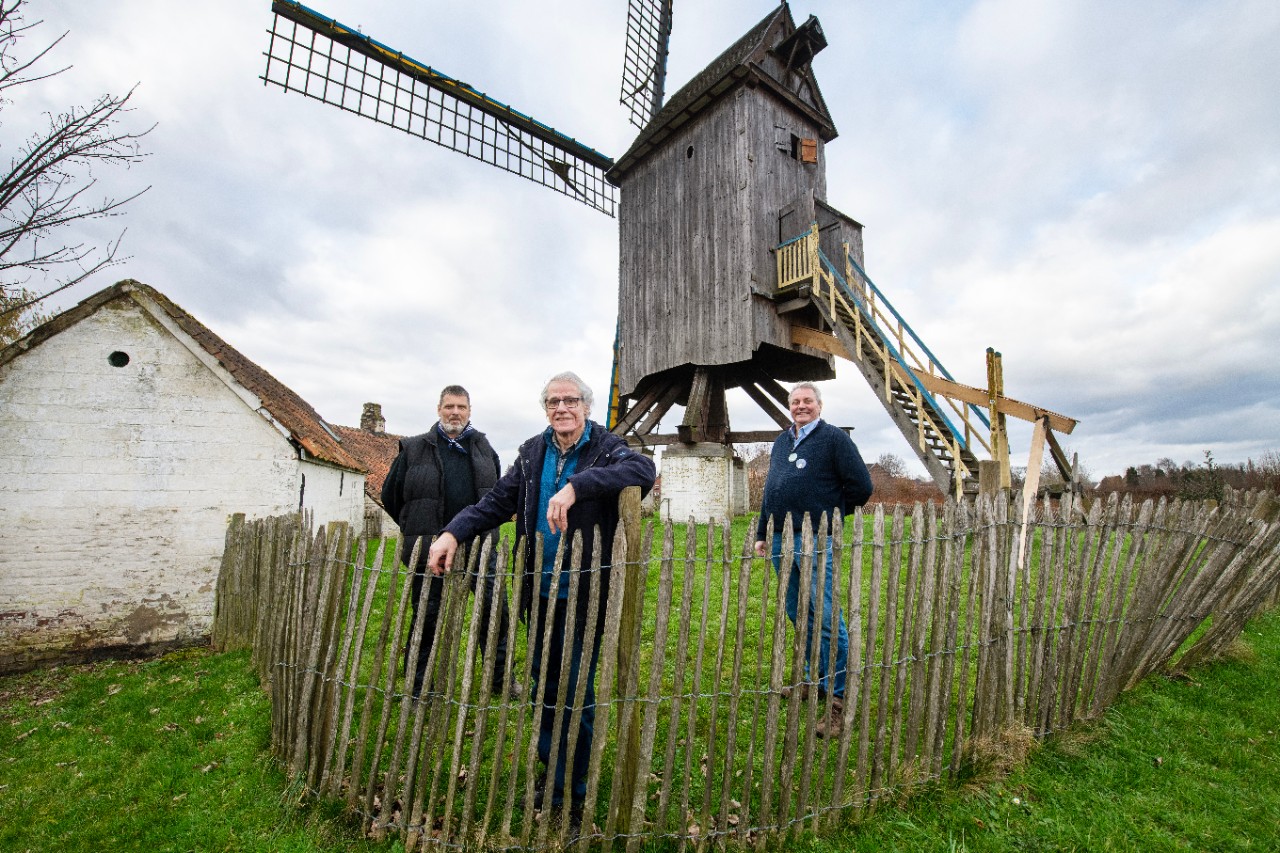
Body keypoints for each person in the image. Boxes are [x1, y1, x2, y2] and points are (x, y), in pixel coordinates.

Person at [427, 370, 655, 830]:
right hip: (540, 593)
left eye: (571, 400)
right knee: (545, 690)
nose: (561, 408)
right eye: (553, 401)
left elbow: (643, 470)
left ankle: (574, 795)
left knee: (575, 693)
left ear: (586, 407)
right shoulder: (533, 452)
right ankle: (553, 774)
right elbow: (496, 501)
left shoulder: (605, 447)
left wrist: (578, 486)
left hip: (584, 595)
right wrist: (453, 532)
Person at [753, 381, 873, 738]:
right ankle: (814, 680)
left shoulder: (835, 439)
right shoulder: (781, 441)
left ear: (819, 405)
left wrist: (831, 515)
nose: (800, 406)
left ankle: (838, 698)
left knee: (823, 615)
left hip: (815, 536)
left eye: (807, 401)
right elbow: (771, 490)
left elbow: (861, 487)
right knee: (797, 611)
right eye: (795, 402)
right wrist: (762, 532)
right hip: (780, 537)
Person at [381, 384, 511, 699]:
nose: (455, 413)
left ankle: (498, 681)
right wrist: (416, 528)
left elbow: (493, 496)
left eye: (461, 407)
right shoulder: (414, 448)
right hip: (430, 548)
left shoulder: (484, 448)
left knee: (495, 613)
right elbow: (391, 495)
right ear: (439, 409)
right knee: (426, 615)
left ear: (469, 411)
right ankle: (418, 687)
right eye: (449, 406)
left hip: (479, 546)